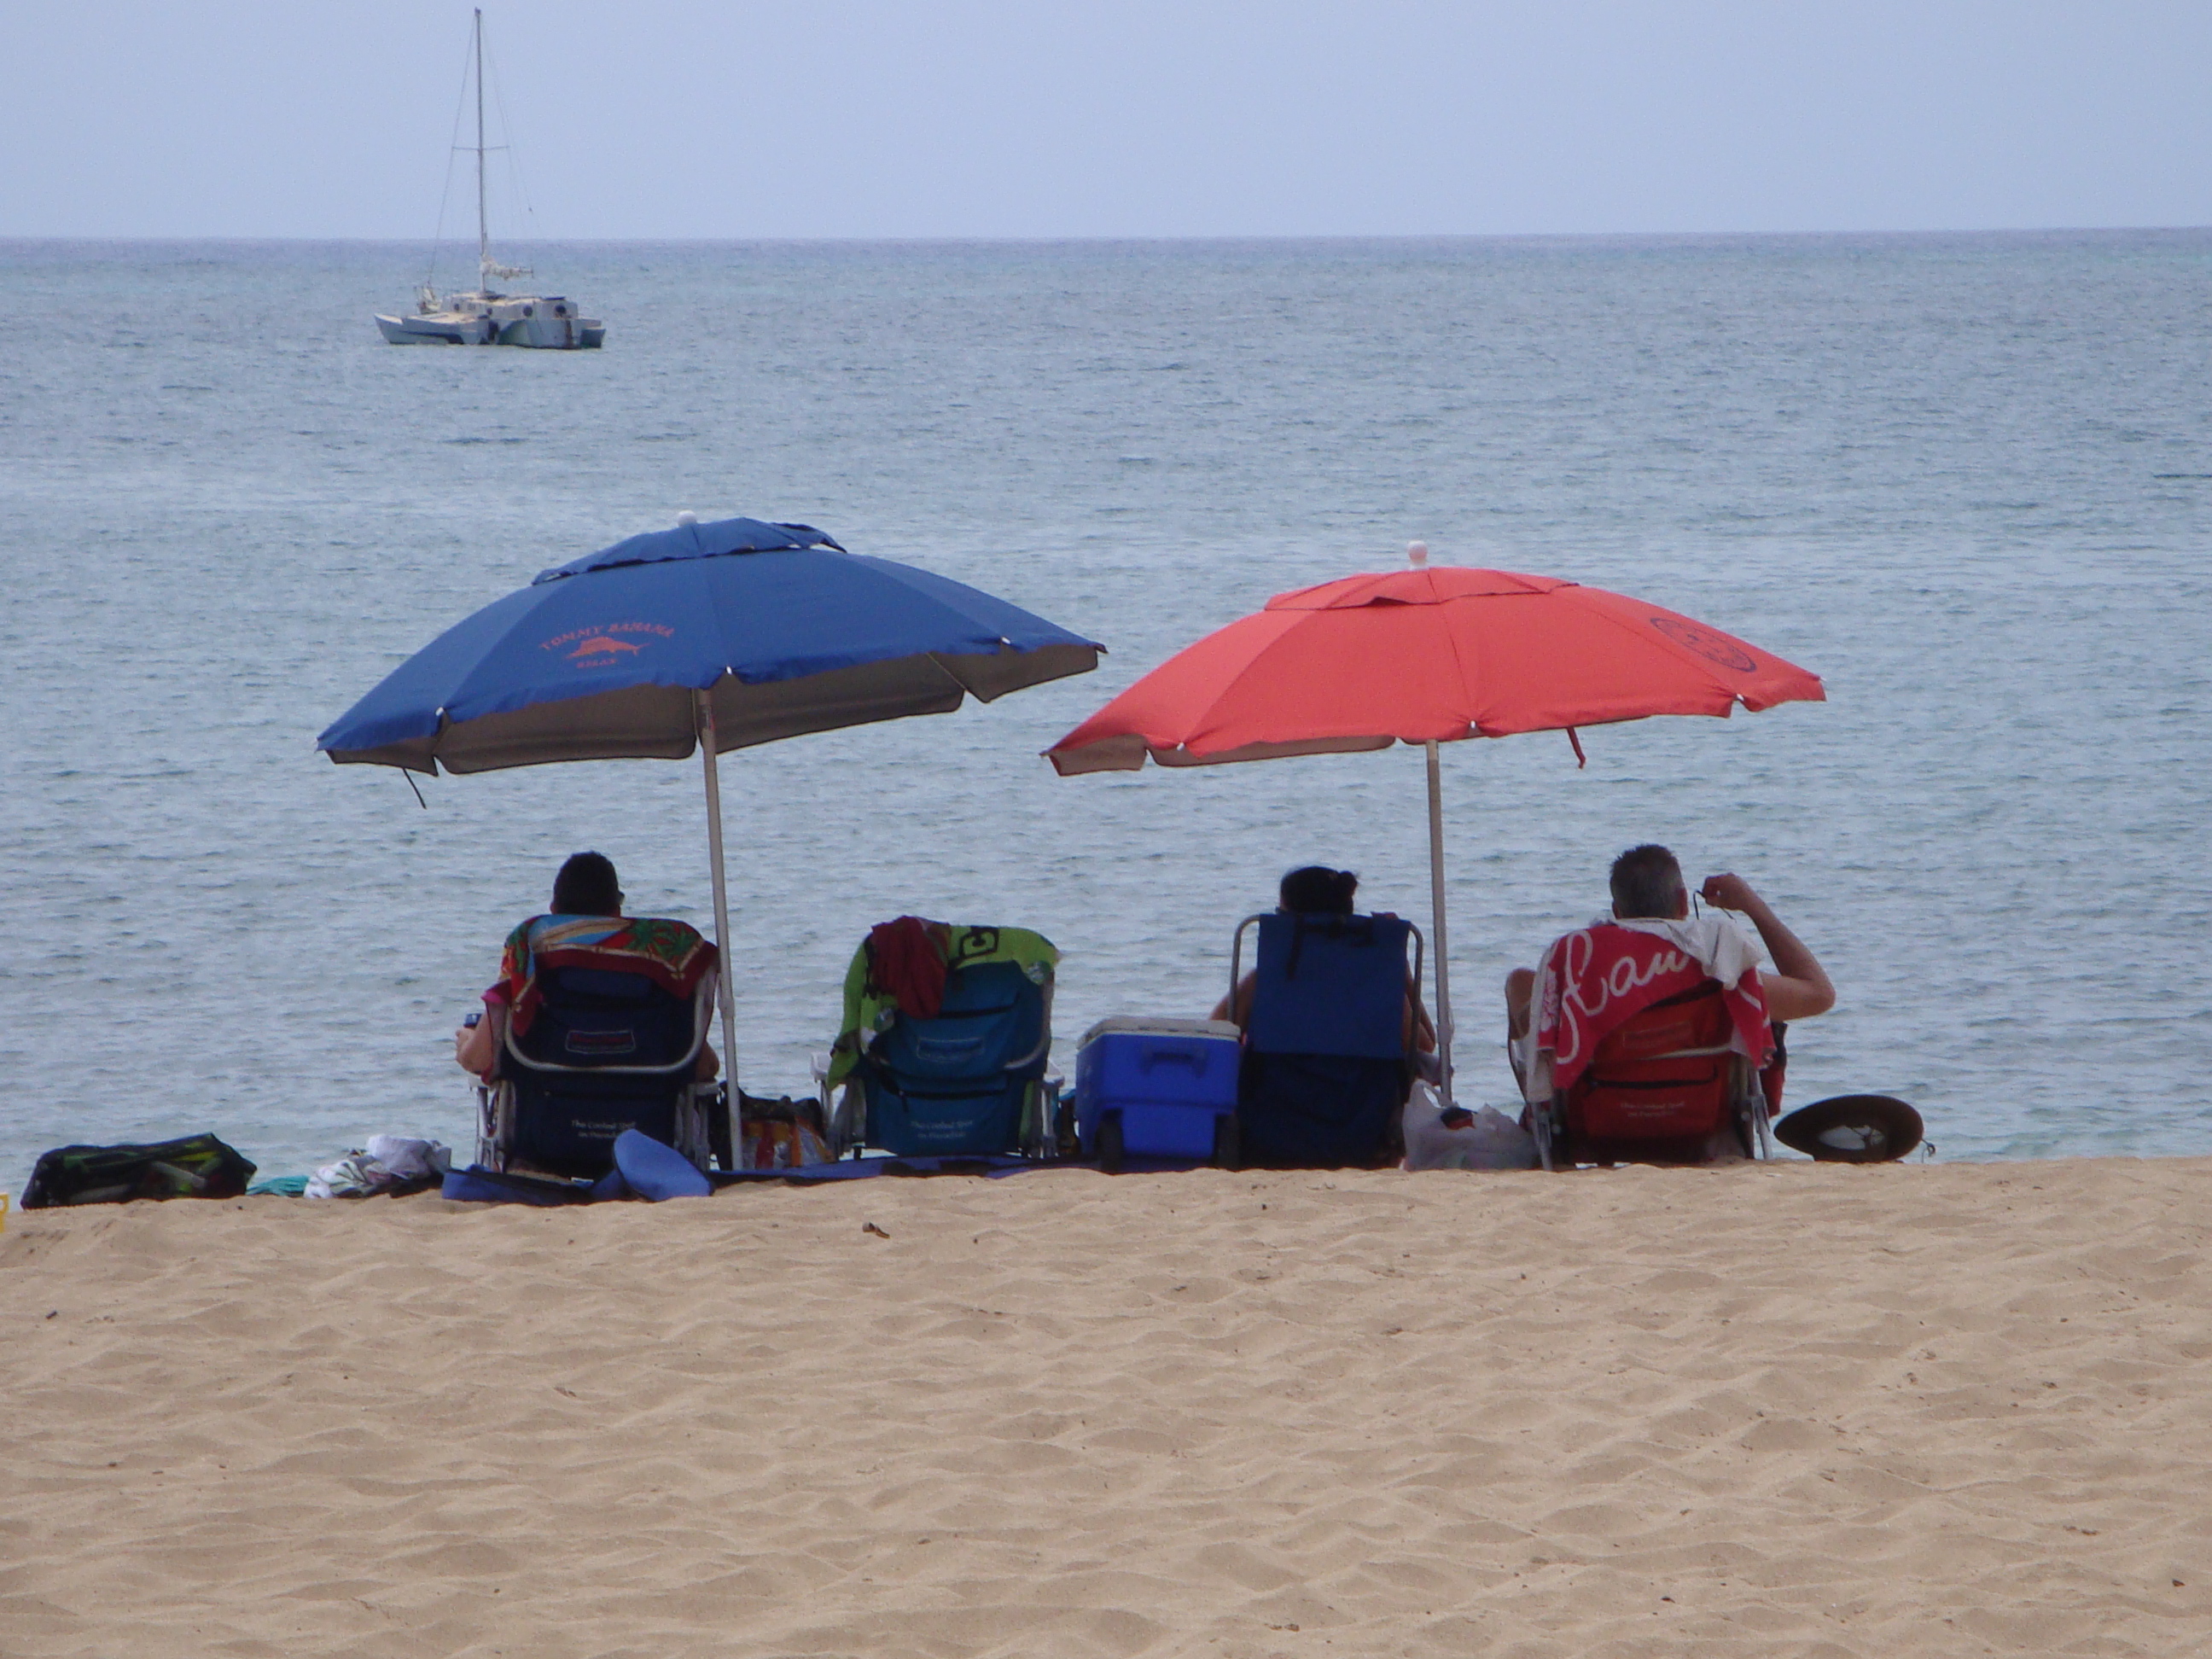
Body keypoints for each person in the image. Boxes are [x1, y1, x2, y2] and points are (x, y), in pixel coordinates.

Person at [1504, 845, 1834, 1045]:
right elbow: (1819, 994)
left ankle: (1541, 1132)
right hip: (1700, 1113)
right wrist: (1753, 906)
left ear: (1618, 912)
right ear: (1682, 904)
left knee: (1520, 982)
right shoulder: (1716, 969)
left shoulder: (1582, 978)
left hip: (1599, 1115)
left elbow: (1535, 1034)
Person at [453, 852, 719, 1081]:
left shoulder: (531, 953)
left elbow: (480, 1058)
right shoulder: (657, 963)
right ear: (617, 912)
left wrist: (466, 1040)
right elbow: (704, 1066)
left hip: (547, 1120)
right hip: (647, 1124)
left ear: (554, 911)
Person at [1213, 865, 1438, 1053]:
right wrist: (1398, 965)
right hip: (1368, 1103)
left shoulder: (1267, 981)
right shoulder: (1376, 982)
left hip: (1277, 1101)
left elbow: (1214, 1032)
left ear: (1291, 923)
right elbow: (1425, 1047)